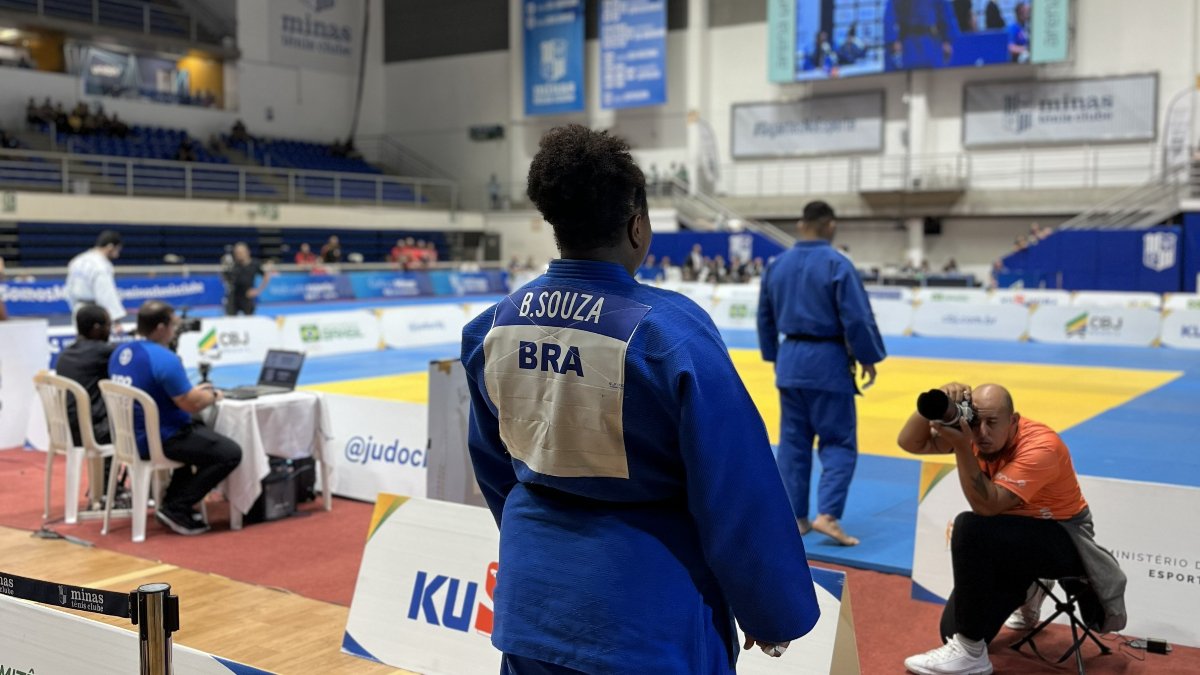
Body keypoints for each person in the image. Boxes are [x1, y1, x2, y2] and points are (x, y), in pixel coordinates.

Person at [461, 124, 820, 674]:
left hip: (531, 600)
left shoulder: (491, 330)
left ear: (555, 225)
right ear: (637, 226)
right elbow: (735, 486)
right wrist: (773, 609)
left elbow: (494, 466)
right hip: (649, 614)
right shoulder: (671, 335)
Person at [897, 383, 1126, 675]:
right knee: (949, 631)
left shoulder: (1042, 446)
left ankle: (970, 653)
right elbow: (910, 443)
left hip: (1063, 537)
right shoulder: (975, 430)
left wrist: (960, 447)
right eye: (976, 421)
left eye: (993, 423)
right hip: (1012, 540)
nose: (982, 433)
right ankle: (1028, 589)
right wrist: (937, 401)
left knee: (971, 527)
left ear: (1013, 421)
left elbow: (987, 506)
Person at [757, 200, 886, 546]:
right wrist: (868, 356)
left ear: (801, 225)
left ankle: (796, 517)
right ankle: (827, 515)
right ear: (830, 225)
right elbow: (857, 318)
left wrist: (774, 355)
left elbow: (764, 317)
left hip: (790, 362)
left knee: (793, 444)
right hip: (827, 362)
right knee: (838, 441)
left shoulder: (776, 265)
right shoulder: (837, 264)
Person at [108, 301, 241, 535]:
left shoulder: (119, 353)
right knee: (229, 452)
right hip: (161, 439)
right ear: (161, 328)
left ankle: (172, 502)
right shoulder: (165, 359)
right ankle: (176, 507)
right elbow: (190, 404)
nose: (175, 330)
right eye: (173, 325)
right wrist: (213, 395)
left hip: (129, 436)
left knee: (200, 435)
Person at [65, 230, 127, 326]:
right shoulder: (101, 265)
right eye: (117, 250)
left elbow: (68, 289)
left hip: (78, 310)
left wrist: (74, 307)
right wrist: (116, 319)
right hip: (95, 313)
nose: (118, 255)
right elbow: (106, 294)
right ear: (110, 247)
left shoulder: (77, 260)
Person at [223, 243, 272, 316]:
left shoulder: (255, 264)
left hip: (247, 297)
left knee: (249, 321)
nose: (238, 255)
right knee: (230, 320)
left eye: (240, 252)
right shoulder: (233, 265)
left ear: (247, 252)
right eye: (236, 253)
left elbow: (267, 275)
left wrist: (258, 290)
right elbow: (226, 278)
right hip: (233, 297)